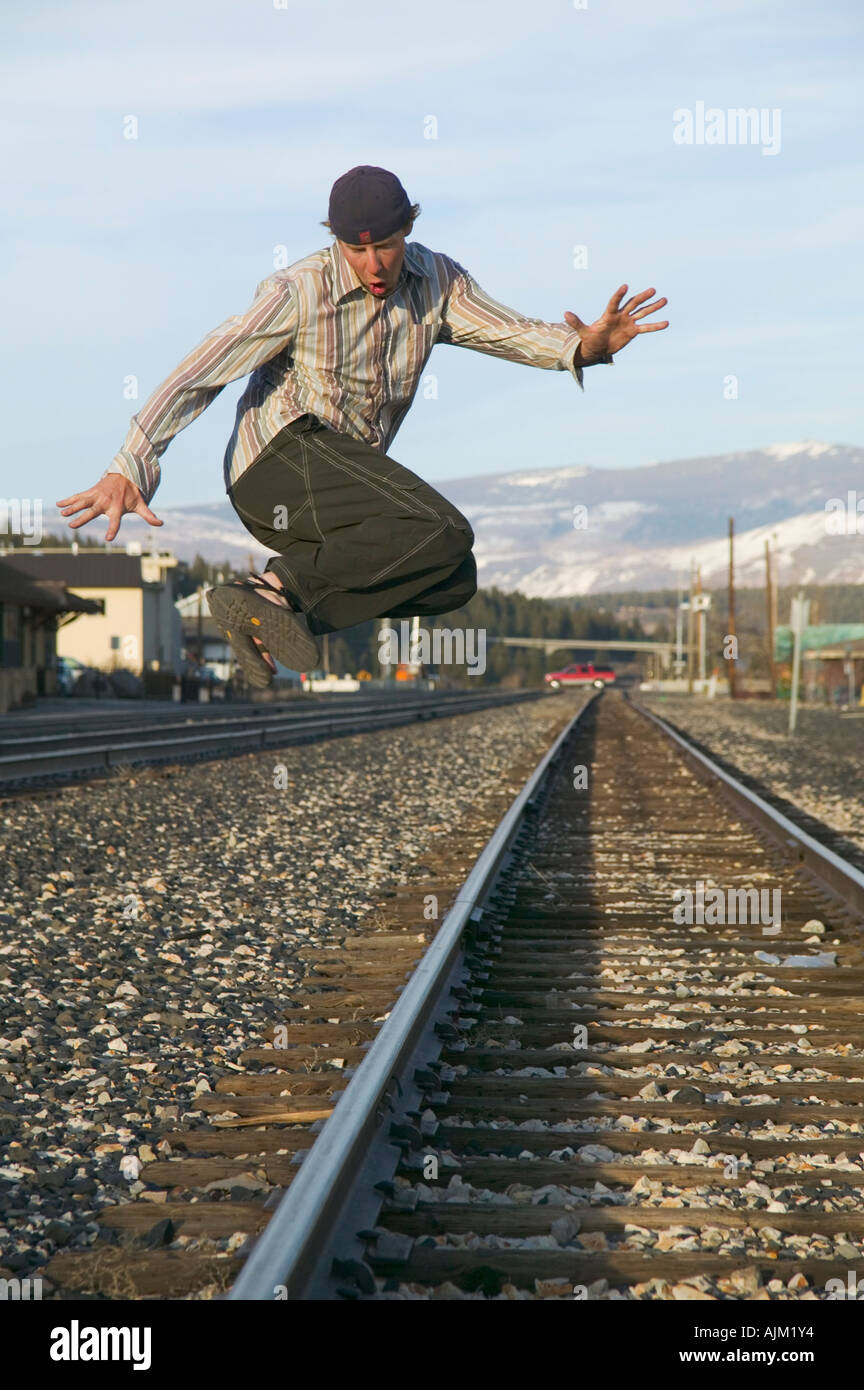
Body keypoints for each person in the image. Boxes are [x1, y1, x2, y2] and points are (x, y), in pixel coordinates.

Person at [58, 166, 668, 688]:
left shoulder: (438, 282)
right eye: (357, 251)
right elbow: (204, 368)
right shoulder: (299, 290)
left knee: (452, 577)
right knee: (446, 529)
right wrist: (131, 463)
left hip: (343, 484)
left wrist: (582, 348)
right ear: (336, 242)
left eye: (387, 247)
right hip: (277, 462)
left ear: (409, 231)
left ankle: (270, 603)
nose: (373, 266)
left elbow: (507, 329)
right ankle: (274, 587)